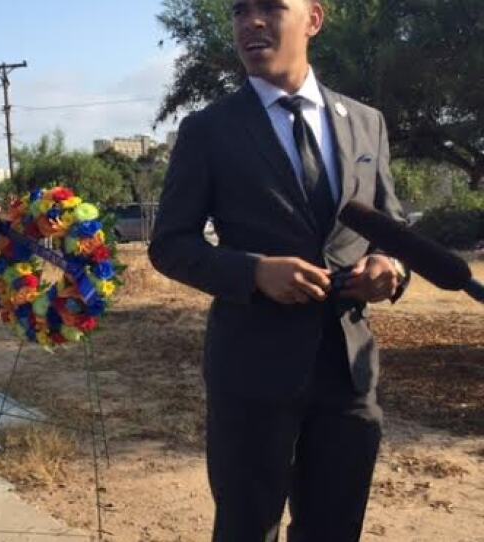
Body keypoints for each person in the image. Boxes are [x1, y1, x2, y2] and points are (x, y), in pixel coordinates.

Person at [149, 1, 410, 540]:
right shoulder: (209, 129)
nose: (252, 22)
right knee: (247, 528)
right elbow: (170, 245)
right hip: (251, 373)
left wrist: (391, 267)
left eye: (270, 7)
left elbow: (394, 226)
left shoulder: (366, 123)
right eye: (240, 11)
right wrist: (253, 272)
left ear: (313, 20)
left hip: (348, 373)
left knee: (334, 529)